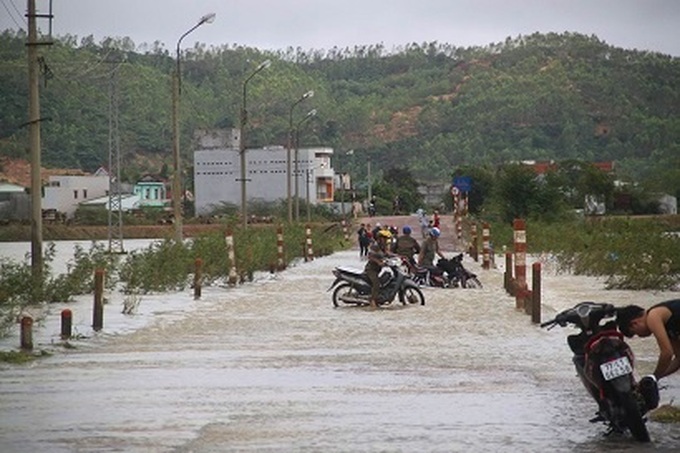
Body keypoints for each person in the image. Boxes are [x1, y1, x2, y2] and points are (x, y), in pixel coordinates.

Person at [617, 300, 680, 381]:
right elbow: (678, 358)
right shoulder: (666, 325)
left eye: (635, 333)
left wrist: (654, 377)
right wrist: (655, 378)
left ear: (634, 323)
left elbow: (667, 353)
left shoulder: (653, 316)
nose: (639, 336)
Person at [364, 229, 392, 310]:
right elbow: (370, 256)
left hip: (378, 270)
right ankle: (372, 300)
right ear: (380, 238)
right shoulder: (375, 246)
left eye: (386, 238)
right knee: (376, 284)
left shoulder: (382, 246)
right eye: (384, 238)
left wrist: (398, 256)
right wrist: (378, 262)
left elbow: (388, 253)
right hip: (371, 270)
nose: (386, 240)